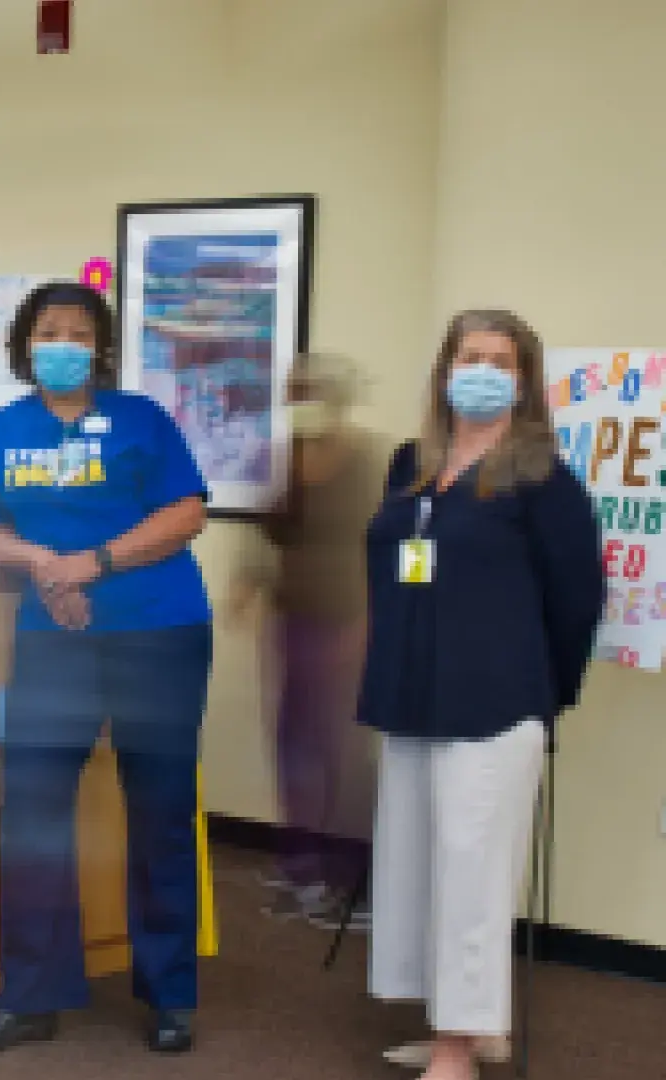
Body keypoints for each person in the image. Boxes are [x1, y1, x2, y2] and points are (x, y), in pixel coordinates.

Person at [0, 281, 213, 1056]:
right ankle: (30, 996)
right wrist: (45, 564)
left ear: (99, 348)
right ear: (24, 345)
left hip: (158, 633)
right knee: (31, 814)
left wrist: (92, 563)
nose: (61, 345)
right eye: (47, 332)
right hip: (51, 640)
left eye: (77, 333)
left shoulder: (143, 419)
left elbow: (186, 513)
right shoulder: (0, 430)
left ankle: (169, 995)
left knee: (160, 812)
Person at [359, 310, 601, 1080]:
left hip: (496, 703)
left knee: (472, 875)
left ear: (524, 382)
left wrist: (545, 693)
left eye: (502, 361)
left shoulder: (544, 480)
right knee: (416, 867)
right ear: (444, 370)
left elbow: (577, 601)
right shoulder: (410, 464)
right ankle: (463, 1026)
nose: (483, 372)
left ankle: (458, 1048)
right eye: (470, 357)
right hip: (411, 694)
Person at [230, 353, 383, 928]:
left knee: (342, 751)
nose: (299, 405)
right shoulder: (284, 460)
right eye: (293, 395)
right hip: (292, 623)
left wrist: (370, 624)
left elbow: (393, 549)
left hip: (348, 627)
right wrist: (246, 587)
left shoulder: (371, 462)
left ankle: (356, 882)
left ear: (338, 399)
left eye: (310, 393)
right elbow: (266, 533)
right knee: (292, 744)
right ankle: (302, 870)